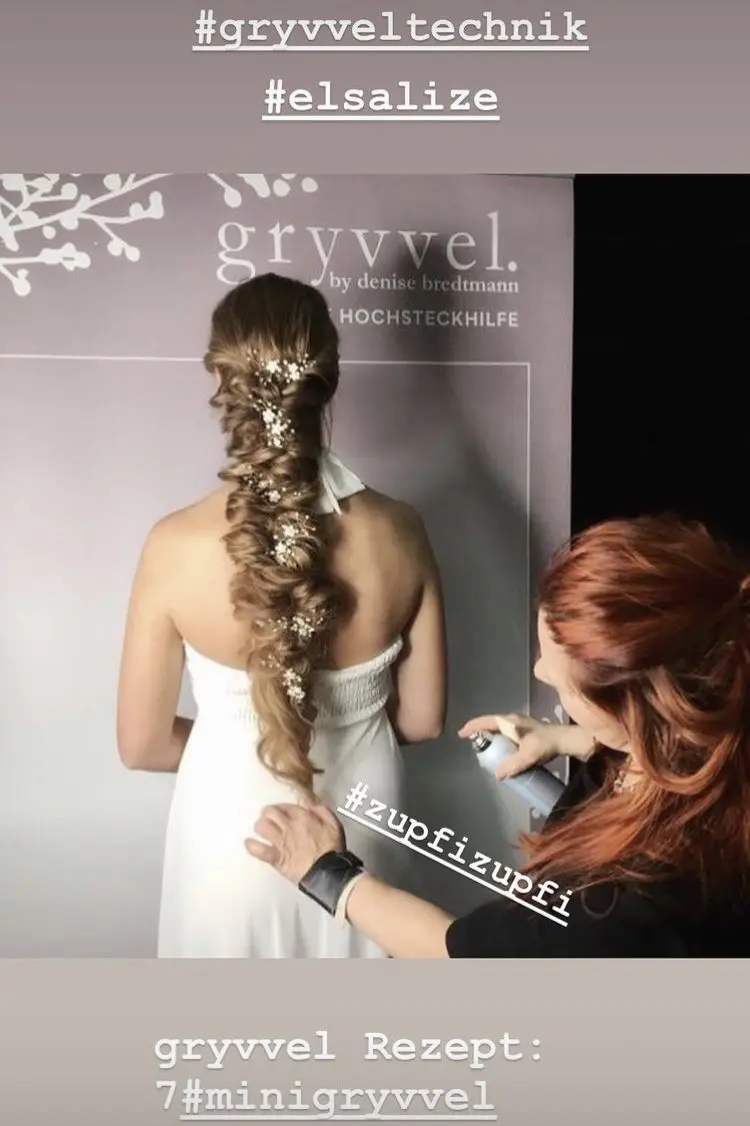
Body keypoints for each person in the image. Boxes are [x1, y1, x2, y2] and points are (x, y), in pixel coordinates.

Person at [116, 273, 447, 958]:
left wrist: (257, 731)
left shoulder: (173, 546)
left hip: (232, 839)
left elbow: (142, 744)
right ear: (328, 379)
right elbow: (422, 720)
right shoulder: (403, 531)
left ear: (219, 378)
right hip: (364, 842)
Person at [248, 514, 750, 957]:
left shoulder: (617, 904)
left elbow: (456, 955)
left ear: (635, 708)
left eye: (561, 680)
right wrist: (566, 738)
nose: (539, 671)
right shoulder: (714, 723)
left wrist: (326, 873)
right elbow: (649, 753)